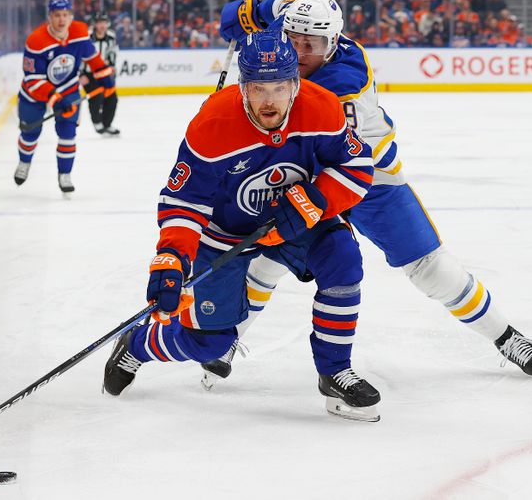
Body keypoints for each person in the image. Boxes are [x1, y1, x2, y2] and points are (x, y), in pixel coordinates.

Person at [204, 0, 532, 386]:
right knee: (267, 260)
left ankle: (506, 336)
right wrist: (250, 13)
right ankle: (227, 340)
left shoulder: (344, 85)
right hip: (301, 171)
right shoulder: (291, 22)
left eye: (310, 45)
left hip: (367, 177)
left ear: (332, 44)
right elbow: (280, 3)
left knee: (429, 267)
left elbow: (352, 160)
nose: (298, 52)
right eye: (292, 39)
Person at [103, 29, 382, 422]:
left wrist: (316, 200)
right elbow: (185, 200)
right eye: (258, 88)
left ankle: (335, 370)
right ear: (242, 85)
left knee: (343, 261)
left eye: (280, 88)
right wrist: (171, 256)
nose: (270, 101)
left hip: (293, 220)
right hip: (222, 235)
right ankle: (138, 344)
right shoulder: (212, 123)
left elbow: (356, 166)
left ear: (295, 83)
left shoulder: (322, 108)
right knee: (209, 345)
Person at [15, 0, 115, 193]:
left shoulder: (79, 31)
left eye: (66, 15)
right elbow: (33, 79)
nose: (62, 20)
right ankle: (24, 162)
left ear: (71, 17)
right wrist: (54, 98)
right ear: (49, 17)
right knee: (30, 133)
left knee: (68, 133)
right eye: (57, 15)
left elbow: (91, 56)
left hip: (68, 88)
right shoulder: (36, 41)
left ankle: (65, 174)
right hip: (34, 93)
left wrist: (104, 75)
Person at [81, 11, 120, 136]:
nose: (102, 25)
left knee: (112, 98)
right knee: (96, 95)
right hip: (88, 74)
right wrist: (81, 74)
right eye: (99, 23)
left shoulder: (111, 37)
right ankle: (97, 123)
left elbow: (112, 52)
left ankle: (107, 124)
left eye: (104, 22)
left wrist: (112, 67)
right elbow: (79, 56)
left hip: (104, 73)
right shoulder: (86, 37)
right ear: (94, 25)